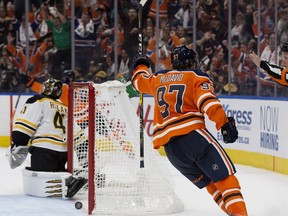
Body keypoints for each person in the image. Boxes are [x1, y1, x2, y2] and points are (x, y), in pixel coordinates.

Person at [131, 45, 248, 216]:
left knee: (210, 183)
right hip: (193, 137)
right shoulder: (195, 76)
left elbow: (138, 82)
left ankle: (233, 213)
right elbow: (208, 102)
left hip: (172, 151)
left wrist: (141, 64)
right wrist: (223, 124)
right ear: (191, 61)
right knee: (224, 177)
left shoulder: (158, 78)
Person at [7, 78, 87, 198]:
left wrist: (18, 142)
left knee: (42, 185)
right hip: (63, 154)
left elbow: (23, 130)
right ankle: (70, 179)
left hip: (44, 151)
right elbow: (80, 139)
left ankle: (69, 183)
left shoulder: (38, 101)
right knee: (56, 178)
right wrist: (85, 159)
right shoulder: (65, 108)